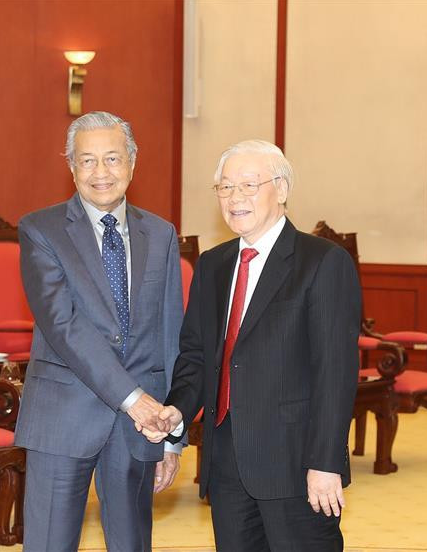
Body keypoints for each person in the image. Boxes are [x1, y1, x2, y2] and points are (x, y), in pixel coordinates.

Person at [144, 140, 361, 551]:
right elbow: (196, 356)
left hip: (296, 464)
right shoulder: (213, 263)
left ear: (280, 189)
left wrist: (325, 463)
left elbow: (335, 372)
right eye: (225, 188)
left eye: (248, 185)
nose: (234, 198)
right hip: (226, 462)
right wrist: (177, 411)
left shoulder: (322, 262)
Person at [14, 111, 184, 552]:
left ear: (132, 162)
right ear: (71, 167)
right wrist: (135, 401)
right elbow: (63, 325)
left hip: (142, 429)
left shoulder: (161, 234)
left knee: (132, 544)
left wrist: (172, 437)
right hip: (62, 417)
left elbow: (171, 336)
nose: (101, 173)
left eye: (112, 158)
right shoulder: (41, 230)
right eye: (87, 161)